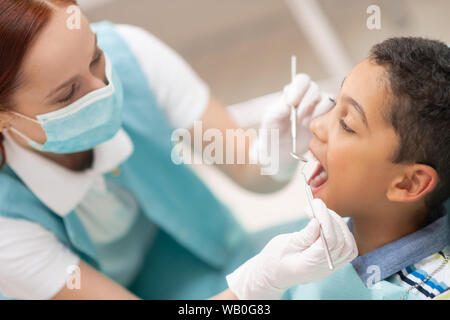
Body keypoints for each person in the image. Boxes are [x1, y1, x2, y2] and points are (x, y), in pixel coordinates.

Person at [0, 0, 355, 300]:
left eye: (95, 58)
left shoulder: (131, 55)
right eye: (67, 94)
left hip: (213, 258)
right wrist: (257, 285)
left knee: (345, 254)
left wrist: (274, 151)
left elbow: (250, 170)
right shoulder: (6, 225)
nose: (103, 89)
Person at [226, 37, 450, 300]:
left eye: (346, 124)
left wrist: (252, 290)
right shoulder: (346, 220)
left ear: (408, 184)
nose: (316, 125)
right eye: (334, 103)